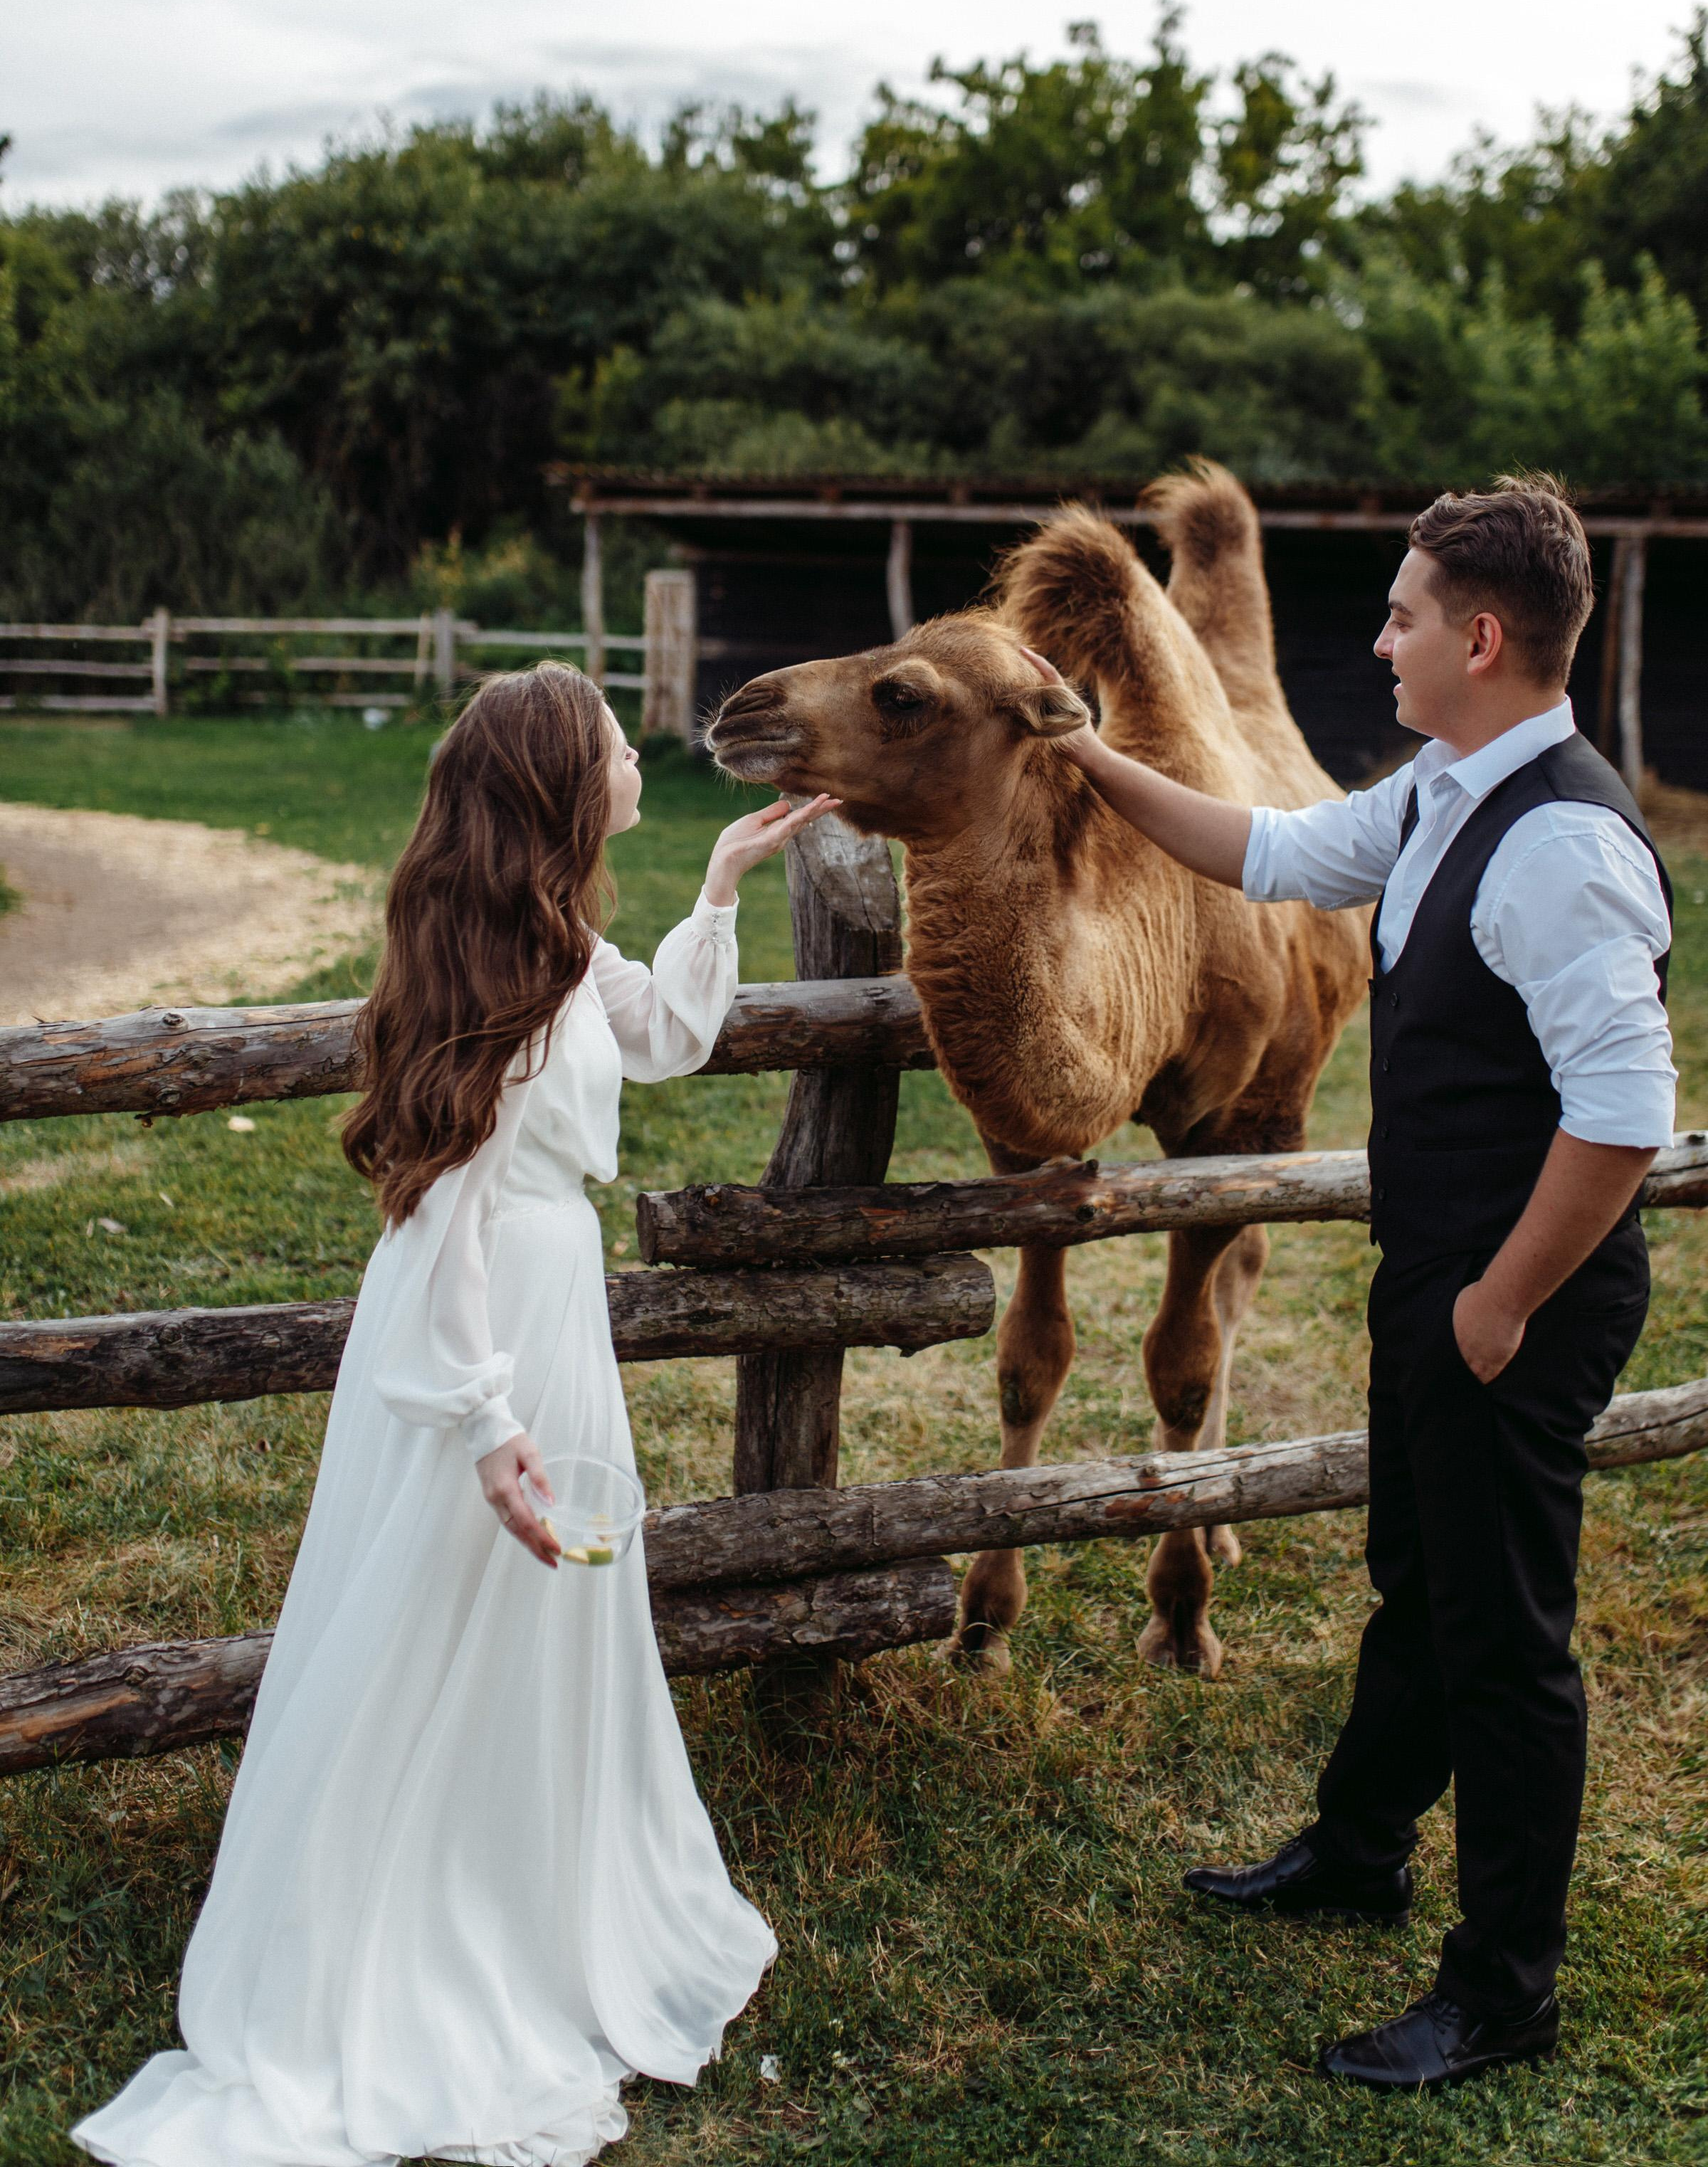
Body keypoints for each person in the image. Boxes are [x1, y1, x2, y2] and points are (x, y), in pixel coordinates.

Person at [75, 664, 838, 2167]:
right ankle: (419, 1913)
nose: (638, 757)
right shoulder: (502, 978)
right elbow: (442, 1216)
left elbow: (668, 1035)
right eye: (617, 747)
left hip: (549, 1308)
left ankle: (528, 1878)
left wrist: (722, 886)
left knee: (537, 1621)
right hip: (485, 1331)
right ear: (567, 788)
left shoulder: (558, 938)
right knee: (442, 1606)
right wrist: (487, 1425)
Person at [1023, 475, 1675, 2091]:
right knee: (1421, 1580)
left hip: (1520, 1292)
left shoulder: (1566, 845)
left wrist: (1498, 1306)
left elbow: (1623, 1116)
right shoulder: (1447, 789)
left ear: (1481, 637)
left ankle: (1503, 1993)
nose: (1378, 642)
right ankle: (1360, 1851)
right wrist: (1087, 755)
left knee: (1505, 1643)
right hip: (1443, 1270)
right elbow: (1268, 850)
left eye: (1399, 617)